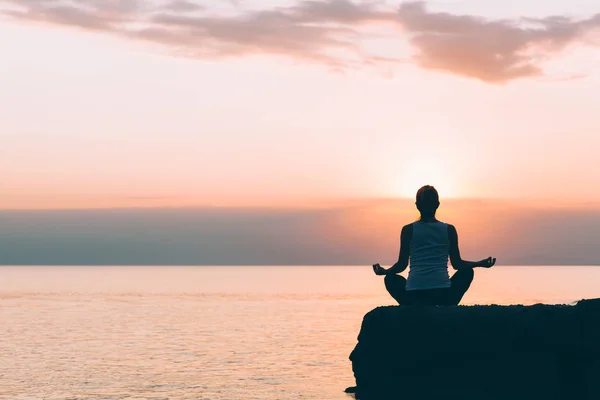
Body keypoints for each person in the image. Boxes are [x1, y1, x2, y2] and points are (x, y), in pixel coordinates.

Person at [372, 185, 496, 306]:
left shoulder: (408, 230)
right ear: (437, 205)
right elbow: (457, 264)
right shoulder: (449, 229)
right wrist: (480, 263)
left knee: (390, 279)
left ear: (417, 205)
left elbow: (401, 265)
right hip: (442, 295)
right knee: (467, 272)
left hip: (414, 295)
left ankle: (413, 307)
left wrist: (386, 271)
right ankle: (445, 307)